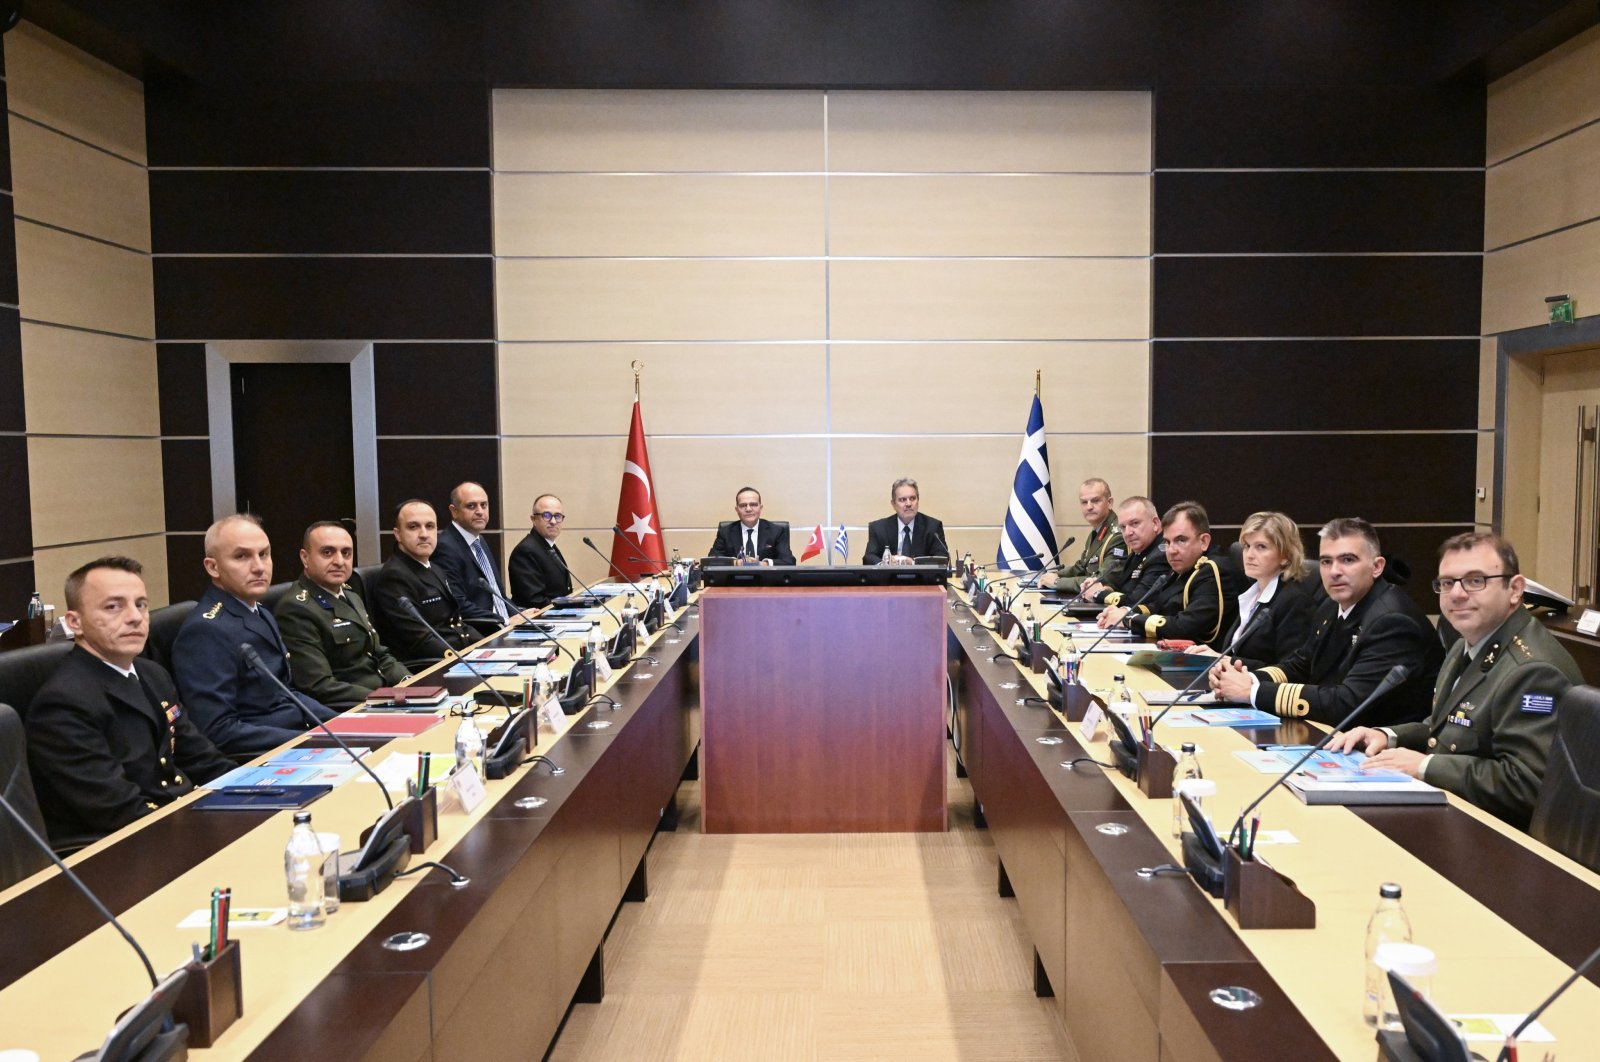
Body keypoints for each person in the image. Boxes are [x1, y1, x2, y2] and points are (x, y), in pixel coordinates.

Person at [1329, 532, 1581, 829]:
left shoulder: (1533, 671)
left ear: (1515, 589)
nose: (1457, 594)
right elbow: (1449, 730)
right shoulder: (1469, 642)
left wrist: (1425, 765)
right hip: (1461, 814)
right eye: (1447, 583)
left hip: (1503, 837)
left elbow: (1526, 784)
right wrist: (1387, 735)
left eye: (1476, 581)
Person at [26, 557, 234, 847]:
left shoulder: (151, 674)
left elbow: (202, 759)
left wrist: (255, 793)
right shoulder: (63, 704)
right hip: (118, 852)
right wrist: (212, 829)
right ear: (75, 622)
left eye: (141, 604)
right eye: (113, 607)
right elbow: (118, 811)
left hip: (173, 823)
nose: (135, 617)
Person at [1210, 517, 1442, 728]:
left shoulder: (1392, 621)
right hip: (1332, 734)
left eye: (1348, 560)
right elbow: (1301, 664)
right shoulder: (1333, 604)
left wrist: (1253, 692)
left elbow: (1346, 703)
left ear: (1377, 566)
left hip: (1379, 748)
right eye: (1326, 562)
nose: (1334, 572)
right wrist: (1245, 679)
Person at [170, 514, 335, 757]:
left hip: (294, 740)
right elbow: (218, 730)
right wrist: (311, 740)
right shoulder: (205, 631)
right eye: (242, 556)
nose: (258, 566)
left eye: (264, 554)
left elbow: (287, 693)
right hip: (259, 757)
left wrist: (343, 725)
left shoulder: (259, 611)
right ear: (212, 567)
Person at [275, 521, 412, 710]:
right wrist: (388, 697)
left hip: (381, 699)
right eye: (327, 552)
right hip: (352, 709)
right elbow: (319, 686)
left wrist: (411, 684)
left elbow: (380, 655)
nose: (339, 561)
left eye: (346, 553)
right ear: (305, 558)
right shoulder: (296, 608)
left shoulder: (350, 595)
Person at [1097, 501, 1242, 648]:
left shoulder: (1214, 571)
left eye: (1181, 540)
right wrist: (1124, 611)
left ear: (1204, 541)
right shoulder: (1184, 567)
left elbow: (1184, 627)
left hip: (1206, 662)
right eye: (1167, 542)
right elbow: (1157, 605)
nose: (1171, 550)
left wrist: (1129, 620)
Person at [368, 500, 492, 668]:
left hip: (456, 659)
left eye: (430, 526)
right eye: (413, 527)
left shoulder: (434, 567)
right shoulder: (395, 576)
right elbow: (420, 640)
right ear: (397, 534)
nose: (424, 534)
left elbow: (456, 622)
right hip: (430, 667)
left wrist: (488, 648)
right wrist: (467, 659)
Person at [1188, 511, 1316, 667]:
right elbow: (1235, 651)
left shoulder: (1294, 601)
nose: (1249, 555)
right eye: (1247, 546)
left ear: (1286, 556)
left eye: (1261, 547)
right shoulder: (1251, 593)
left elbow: (1290, 670)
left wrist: (1223, 660)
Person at [430, 480, 510, 625]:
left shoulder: (480, 541)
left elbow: (498, 597)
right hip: (481, 631)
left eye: (484, 505)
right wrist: (505, 621)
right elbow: (458, 604)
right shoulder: (445, 547)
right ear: (454, 511)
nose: (480, 511)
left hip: (502, 625)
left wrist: (523, 617)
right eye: (471, 506)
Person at [1043, 478, 1124, 594]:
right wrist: (1055, 574)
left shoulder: (1117, 536)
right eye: (1084, 502)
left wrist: (1057, 582)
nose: (1089, 507)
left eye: (1095, 501)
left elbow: (1102, 581)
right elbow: (1081, 567)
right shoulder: (1098, 531)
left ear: (1109, 503)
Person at [1081, 497, 1166, 606]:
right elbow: (1122, 587)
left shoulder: (1161, 554)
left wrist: (1098, 594)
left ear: (1155, 523)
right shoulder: (1137, 553)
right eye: (1123, 527)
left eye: (1135, 523)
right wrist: (1099, 587)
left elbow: (1138, 600)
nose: (1128, 532)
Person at [509, 493, 575, 608]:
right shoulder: (526, 551)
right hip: (540, 621)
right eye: (547, 515)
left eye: (558, 516)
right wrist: (568, 606)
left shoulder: (547, 545)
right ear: (533, 519)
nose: (553, 521)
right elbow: (534, 599)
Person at [863, 478, 948, 565]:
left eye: (912, 498)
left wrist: (913, 563)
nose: (908, 504)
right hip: (889, 578)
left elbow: (942, 558)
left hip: (921, 578)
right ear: (893, 504)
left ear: (918, 501)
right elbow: (868, 557)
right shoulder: (879, 528)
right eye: (903, 500)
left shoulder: (932, 527)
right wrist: (884, 564)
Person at [706, 487, 796, 565]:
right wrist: (736, 563)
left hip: (767, 582)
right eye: (743, 505)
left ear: (760, 508)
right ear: (737, 510)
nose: (748, 509)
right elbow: (712, 561)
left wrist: (762, 564)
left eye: (753, 504)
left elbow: (789, 561)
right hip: (735, 582)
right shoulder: (725, 532)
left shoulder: (777, 531)